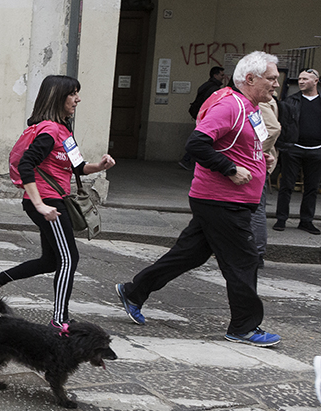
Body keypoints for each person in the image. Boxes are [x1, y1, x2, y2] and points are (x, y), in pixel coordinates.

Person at [115, 51, 282, 346]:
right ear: (250, 78)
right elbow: (197, 143)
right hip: (222, 200)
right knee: (244, 261)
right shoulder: (230, 105)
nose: (276, 85)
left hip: (229, 200)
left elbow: (238, 143)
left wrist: (261, 157)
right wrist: (230, 169)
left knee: (189, 253)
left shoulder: (250, 106)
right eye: (271, 78)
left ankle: (133, 291)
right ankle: (244, 327)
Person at [0, 75, 115, 327]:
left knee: (51, 261)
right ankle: (59, 320)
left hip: (56, 200)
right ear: (57, 97)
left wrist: (99, 166)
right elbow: (26, 163)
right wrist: (39, 203)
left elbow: (77, 166)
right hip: (48, 202)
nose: (78, 98)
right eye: (72, 93)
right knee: (69, 258)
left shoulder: (64, 129)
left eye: (77, 93)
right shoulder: (49, 130)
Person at [274, 68, 321, 235]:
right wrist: (283, 145)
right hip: (294, 148)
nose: (301, 81)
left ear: (316, 81)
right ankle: (281, 218)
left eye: (305, 79)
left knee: (311, 187)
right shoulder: (290, 101)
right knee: (287, 184)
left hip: (316, 150)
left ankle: (306, 221)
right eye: (300, 79)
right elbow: (282, 125)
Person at [252, 96, 280, 267]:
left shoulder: (260, 100)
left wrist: (254, 153)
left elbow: (273, 128)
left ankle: (256, 254)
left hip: (257, 162)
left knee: (256, 208)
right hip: (260, 161)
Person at [181, 66, 227, 168]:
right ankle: (187, 159)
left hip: (200, 115)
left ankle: (187, 159)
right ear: (215, 75)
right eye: (221, 75)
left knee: (200, 138)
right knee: (202, 140)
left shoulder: (206, 85)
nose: (223, 77)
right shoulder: (214, 89)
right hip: (206, 117)